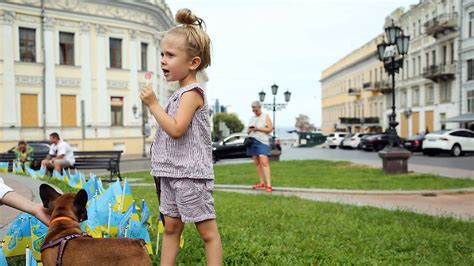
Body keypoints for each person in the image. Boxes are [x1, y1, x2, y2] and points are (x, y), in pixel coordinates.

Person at [139, 8, 222, 265]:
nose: (163, 60)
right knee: (172, 227)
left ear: (193, 63)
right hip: (171, 173)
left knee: (207, 232)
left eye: (170, 55)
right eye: (162, 54)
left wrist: (153, 105)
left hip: (190, 175)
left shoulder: (192, 93)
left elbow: (176, 129)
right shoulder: (178, 94)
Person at [247, 101, 273, 192]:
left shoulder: (265, 116)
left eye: (254, 107)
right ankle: (262, 183)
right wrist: (250, 130)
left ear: (259, 107)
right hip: (252, 141)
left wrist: (258, 129)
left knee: (264, 162)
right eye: (252, 107)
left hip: (262, 142)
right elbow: (247, 131)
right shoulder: (252, 118)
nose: (253, 109)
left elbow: (270, 129)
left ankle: (269, 185)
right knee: (257, 163)